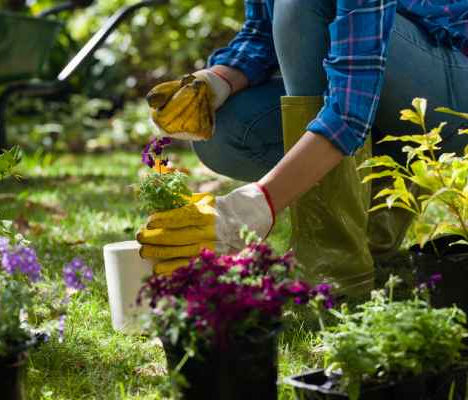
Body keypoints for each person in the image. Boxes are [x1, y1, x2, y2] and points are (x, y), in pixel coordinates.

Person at [137, 0, 468, 295]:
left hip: (450, 82)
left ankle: (335, 264)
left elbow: (349, 108)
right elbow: (264, 30)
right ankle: (375, 206)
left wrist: (253, 206)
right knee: (227, 133)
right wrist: (215, 82)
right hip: (375, 84)